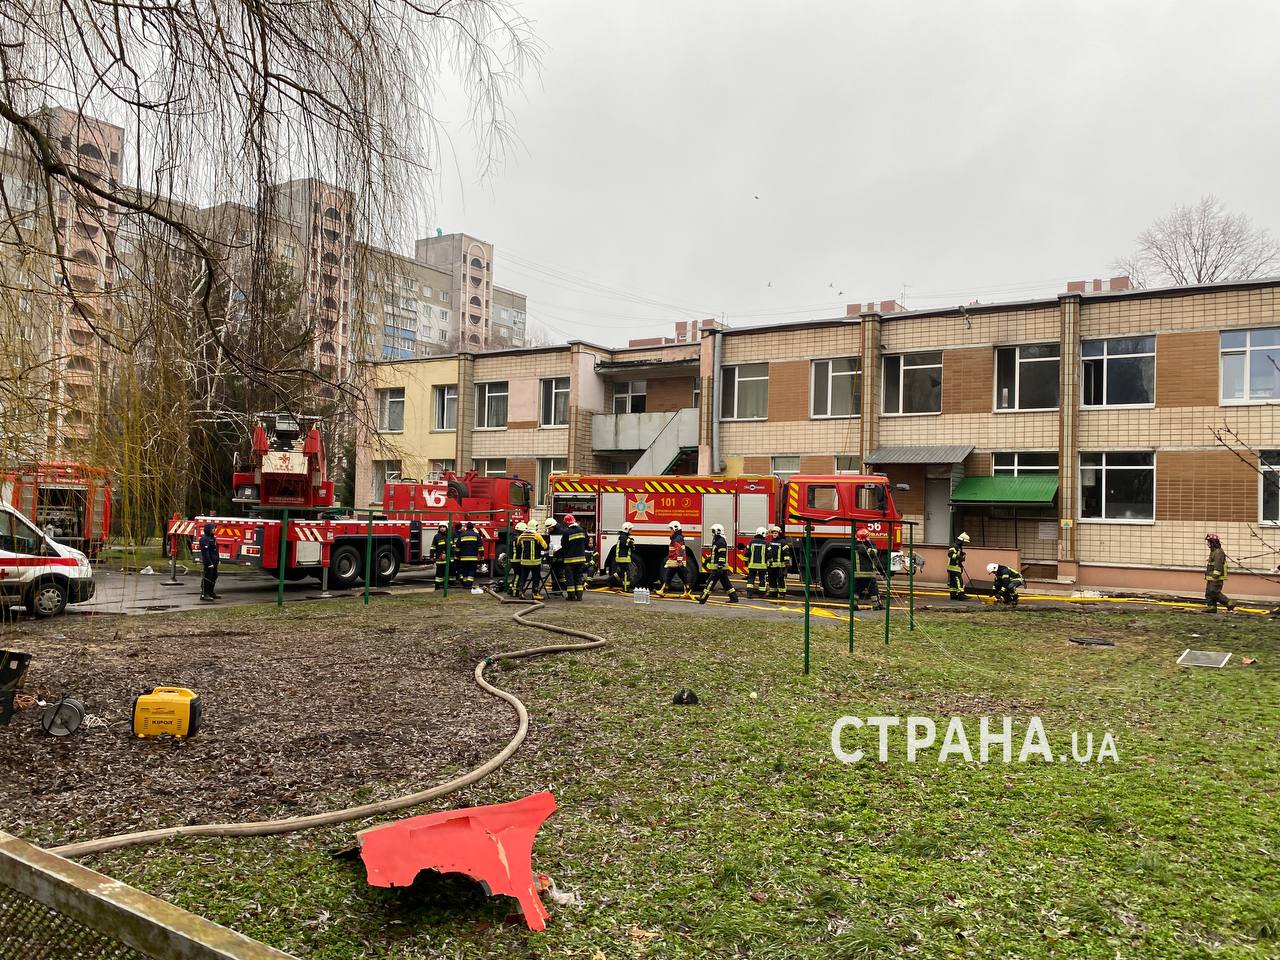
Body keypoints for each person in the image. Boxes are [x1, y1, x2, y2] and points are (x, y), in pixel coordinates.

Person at [698, 523, 739, 604]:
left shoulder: (720, 542)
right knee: (726, 584)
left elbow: (722, 555)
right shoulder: (717, 541)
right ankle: (734, 598)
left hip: (718, 567)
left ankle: (703, 598)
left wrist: (720, 566)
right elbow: (715, 554)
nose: (712, 533)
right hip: (720, 567)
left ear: (718, 531)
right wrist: (707, 560)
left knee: (710, 582)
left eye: (713, 531)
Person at [1203, 533, 1236, 614]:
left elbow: (1218, 565)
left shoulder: (1218, 552)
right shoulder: (1213, 551)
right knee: (1209, 593)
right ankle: (1211, 607)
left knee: (1214, 592)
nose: (1207, 544)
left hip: (1216, 577)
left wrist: (1215, 575)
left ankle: (1229, 603)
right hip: (1211, 577)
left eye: (1208, 542)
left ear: (1213, 543)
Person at [514, 522, 548, 600]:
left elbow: (518, 548)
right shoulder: (537, 536)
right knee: (536, 578)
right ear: (535, 527)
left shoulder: (521, 536)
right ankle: (535, 594)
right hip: (535, 562)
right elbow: (545, 546)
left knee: (523, 577)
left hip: (524, 562)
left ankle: (521, 592)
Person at [657, 520, 690, 597]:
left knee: (669, 576)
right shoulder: (678, 538)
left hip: (675, 561)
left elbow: (680, 550)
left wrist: (679, 560)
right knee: (682, 577)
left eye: (671, 529)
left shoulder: (677, 538)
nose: (670, 531)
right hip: (675, 561)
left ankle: (663, 590)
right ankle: (687, 591)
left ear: (675, 529)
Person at [559, 513, 588, 601]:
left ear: (567, 523)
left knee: (570, 578)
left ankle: (571, 596)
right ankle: (579, 596)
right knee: (579, 577)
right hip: (581, 559)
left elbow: (563, 545)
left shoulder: (566, 532)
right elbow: (586, 542)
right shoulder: (582, 530)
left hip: (570, 560)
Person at [853, 529, 882, 610]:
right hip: (867, 572)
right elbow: (873, 553)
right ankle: (877, 605)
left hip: (858, 573)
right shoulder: (862, 547)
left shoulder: (855, 545)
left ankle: (853, 605)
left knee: (857, 590)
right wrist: (871, 544)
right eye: (868, 537)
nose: (869, 538)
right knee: (873, 589)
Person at [742, 526, 769, 598]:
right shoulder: (766, 543)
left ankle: (749, 593)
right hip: (762, 566)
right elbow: (769, 554)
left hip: (752, 565)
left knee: (751, 579)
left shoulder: (751, 542)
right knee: (762, 579)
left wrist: (745, 561)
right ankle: (762, 594)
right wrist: (769, 562)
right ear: (763, 533)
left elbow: (747, 553)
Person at [765, 525, 790, 599]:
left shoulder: (783, 542)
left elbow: (786, 553)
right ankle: (773, 592)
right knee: (771, 579)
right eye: (773, 533)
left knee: (780, 580)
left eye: (776, 533)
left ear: (779, 533)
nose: (774, 534)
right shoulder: (771, 542)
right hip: (771, 565)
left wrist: (786, 563)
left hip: (780, 566)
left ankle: (782, 593)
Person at [455, 521, 481, 590]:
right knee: (471, 570)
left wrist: (457, 555)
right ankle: (469, 584)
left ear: (466, 527)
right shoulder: (476, 535)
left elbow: (457, 547)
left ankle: (465, 584)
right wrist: (482, 555)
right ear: (473, 527)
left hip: (463, 558)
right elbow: (480, 547)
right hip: (473, 558)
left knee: (465, 570)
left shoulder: (462, 535)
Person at [198, 522, 220, 602]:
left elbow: (215, 550)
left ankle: (211, 592)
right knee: (207, 578)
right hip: (209, 562)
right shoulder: (204, 539)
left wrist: (217, 560)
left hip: (214, 561)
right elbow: (205, 553)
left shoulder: (213, 538)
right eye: (213, 528)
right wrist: (209, 563)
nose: (214, 530)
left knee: (214, 576)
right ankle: (205, 594)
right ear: (209, 529)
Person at [947, 532, 971, 600]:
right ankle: (961, 594)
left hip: (953, 567)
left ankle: (953, 594)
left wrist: (961, 554)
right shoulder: (954, 546)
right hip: (954, 567)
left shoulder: (958, 547)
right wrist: (959, 557)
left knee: (953, 582)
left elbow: (955, 554)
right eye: (964, 542)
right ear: (961, 540)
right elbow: (950, 554)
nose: (964, 543)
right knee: (958, 580)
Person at [613, 521, 636, 593]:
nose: (631, 531)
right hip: (623, 558)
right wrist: (632, 541)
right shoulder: (624, 538)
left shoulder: (623, 537)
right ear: (626, 529)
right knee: (626, 574)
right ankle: (626, 588)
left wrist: (632, 542)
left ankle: (610, 581)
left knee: (621, 573)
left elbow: (632, 545)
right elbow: (631, 545)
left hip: (622, 558)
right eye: (630, 529)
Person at [430, 522, 451, 590]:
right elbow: (433, 547)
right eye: (441, 527)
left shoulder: (449, 536)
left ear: (446, 528)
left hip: (447, 558)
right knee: (439, 572)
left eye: (443, 527)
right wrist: (431, 556)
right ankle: (437, 586)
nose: (442, 528)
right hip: (439, 558)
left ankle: (444, 585)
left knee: (446, 572)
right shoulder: (437, 536)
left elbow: (451, 546)